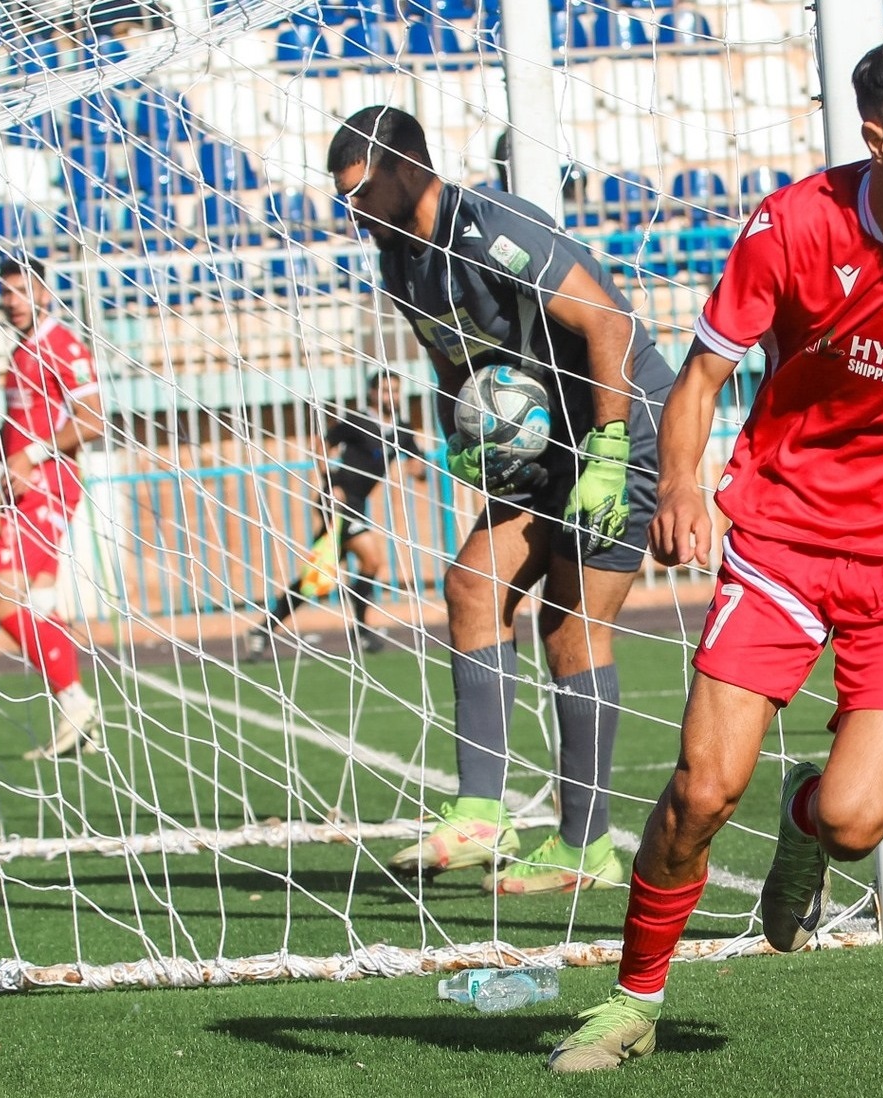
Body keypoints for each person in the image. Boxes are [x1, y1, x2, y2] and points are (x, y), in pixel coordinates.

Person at [548, 33, 883, 1072]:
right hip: (783, 540)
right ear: (876, 137)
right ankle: (631, 1000)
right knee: (702, 792)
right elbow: (700, 378)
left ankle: (803, 825)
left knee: (851, 823)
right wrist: (680, 482)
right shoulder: (792, 227)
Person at [326, 105, 675, 895]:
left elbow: (609, 325)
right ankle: (481, 815)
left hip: (619, 427)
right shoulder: (398, 264)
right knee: (471, 587)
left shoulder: (489, 224)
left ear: (406, 169)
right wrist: (462, 436)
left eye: (361, 192)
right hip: (540, 444)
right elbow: (453, 364)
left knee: (569, 629)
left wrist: (609, 451)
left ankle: (586, 847)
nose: (353, 212)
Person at [0, 256, 108, 760]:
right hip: (25, 484)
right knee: (40, 602)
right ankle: (78, 719)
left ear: (45, 293)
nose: (13, 301)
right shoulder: (22, 351)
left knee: (3, 603)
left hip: (47, 485)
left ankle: (77, 704)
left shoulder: (62, 344)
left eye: (23, 291)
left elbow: (93, 420)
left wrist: (32, 455)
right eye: (6, 292)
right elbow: (16, 426)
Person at [245, 370, 426, 658]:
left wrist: (419, 468)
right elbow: (321, 445)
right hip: (337, 502)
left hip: (358, 504)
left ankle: (262, 631)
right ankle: (361, 631)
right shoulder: (358, 421)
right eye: (384, 391)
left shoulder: (401, 429)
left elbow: (417, 461)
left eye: (394, 391)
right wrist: (330, 483)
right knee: (371, 559)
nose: (390, 396)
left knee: (318, 573)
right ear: (372, 393)